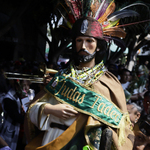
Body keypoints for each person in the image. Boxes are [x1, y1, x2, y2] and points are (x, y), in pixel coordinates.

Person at [25, 16, 134, 150]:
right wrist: (50, 109)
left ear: (98, 46)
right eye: (79, 40)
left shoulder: (108, 82)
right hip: (51, 140)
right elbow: (31, 111)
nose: (83, 46)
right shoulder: (61, 77)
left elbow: (118, 128)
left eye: (89, 41)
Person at [0, 79, 26, 150]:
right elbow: (16, 117)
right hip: (11, 132)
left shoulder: (23, 95)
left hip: (21, 133)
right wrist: (30, 119)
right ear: (17, 87)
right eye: (23, 86)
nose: (26, 88)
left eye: (27, 85)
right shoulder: (8, 98)